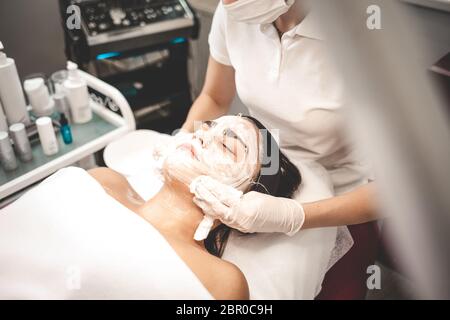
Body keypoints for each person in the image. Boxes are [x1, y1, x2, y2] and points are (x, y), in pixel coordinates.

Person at [181, 0, 378, 236]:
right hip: (264, 175)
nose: (228, 2)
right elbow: (214, 98)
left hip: (343, 197)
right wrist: (183, 140)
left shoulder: (368, 30)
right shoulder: (234, 11)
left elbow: (399, 189)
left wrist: (293, 216)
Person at [89, 115, 302, 300]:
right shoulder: (104, 182)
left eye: (226, 146)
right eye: (206, 128)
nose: (201, 135)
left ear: (242, 197)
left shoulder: (222, 282)